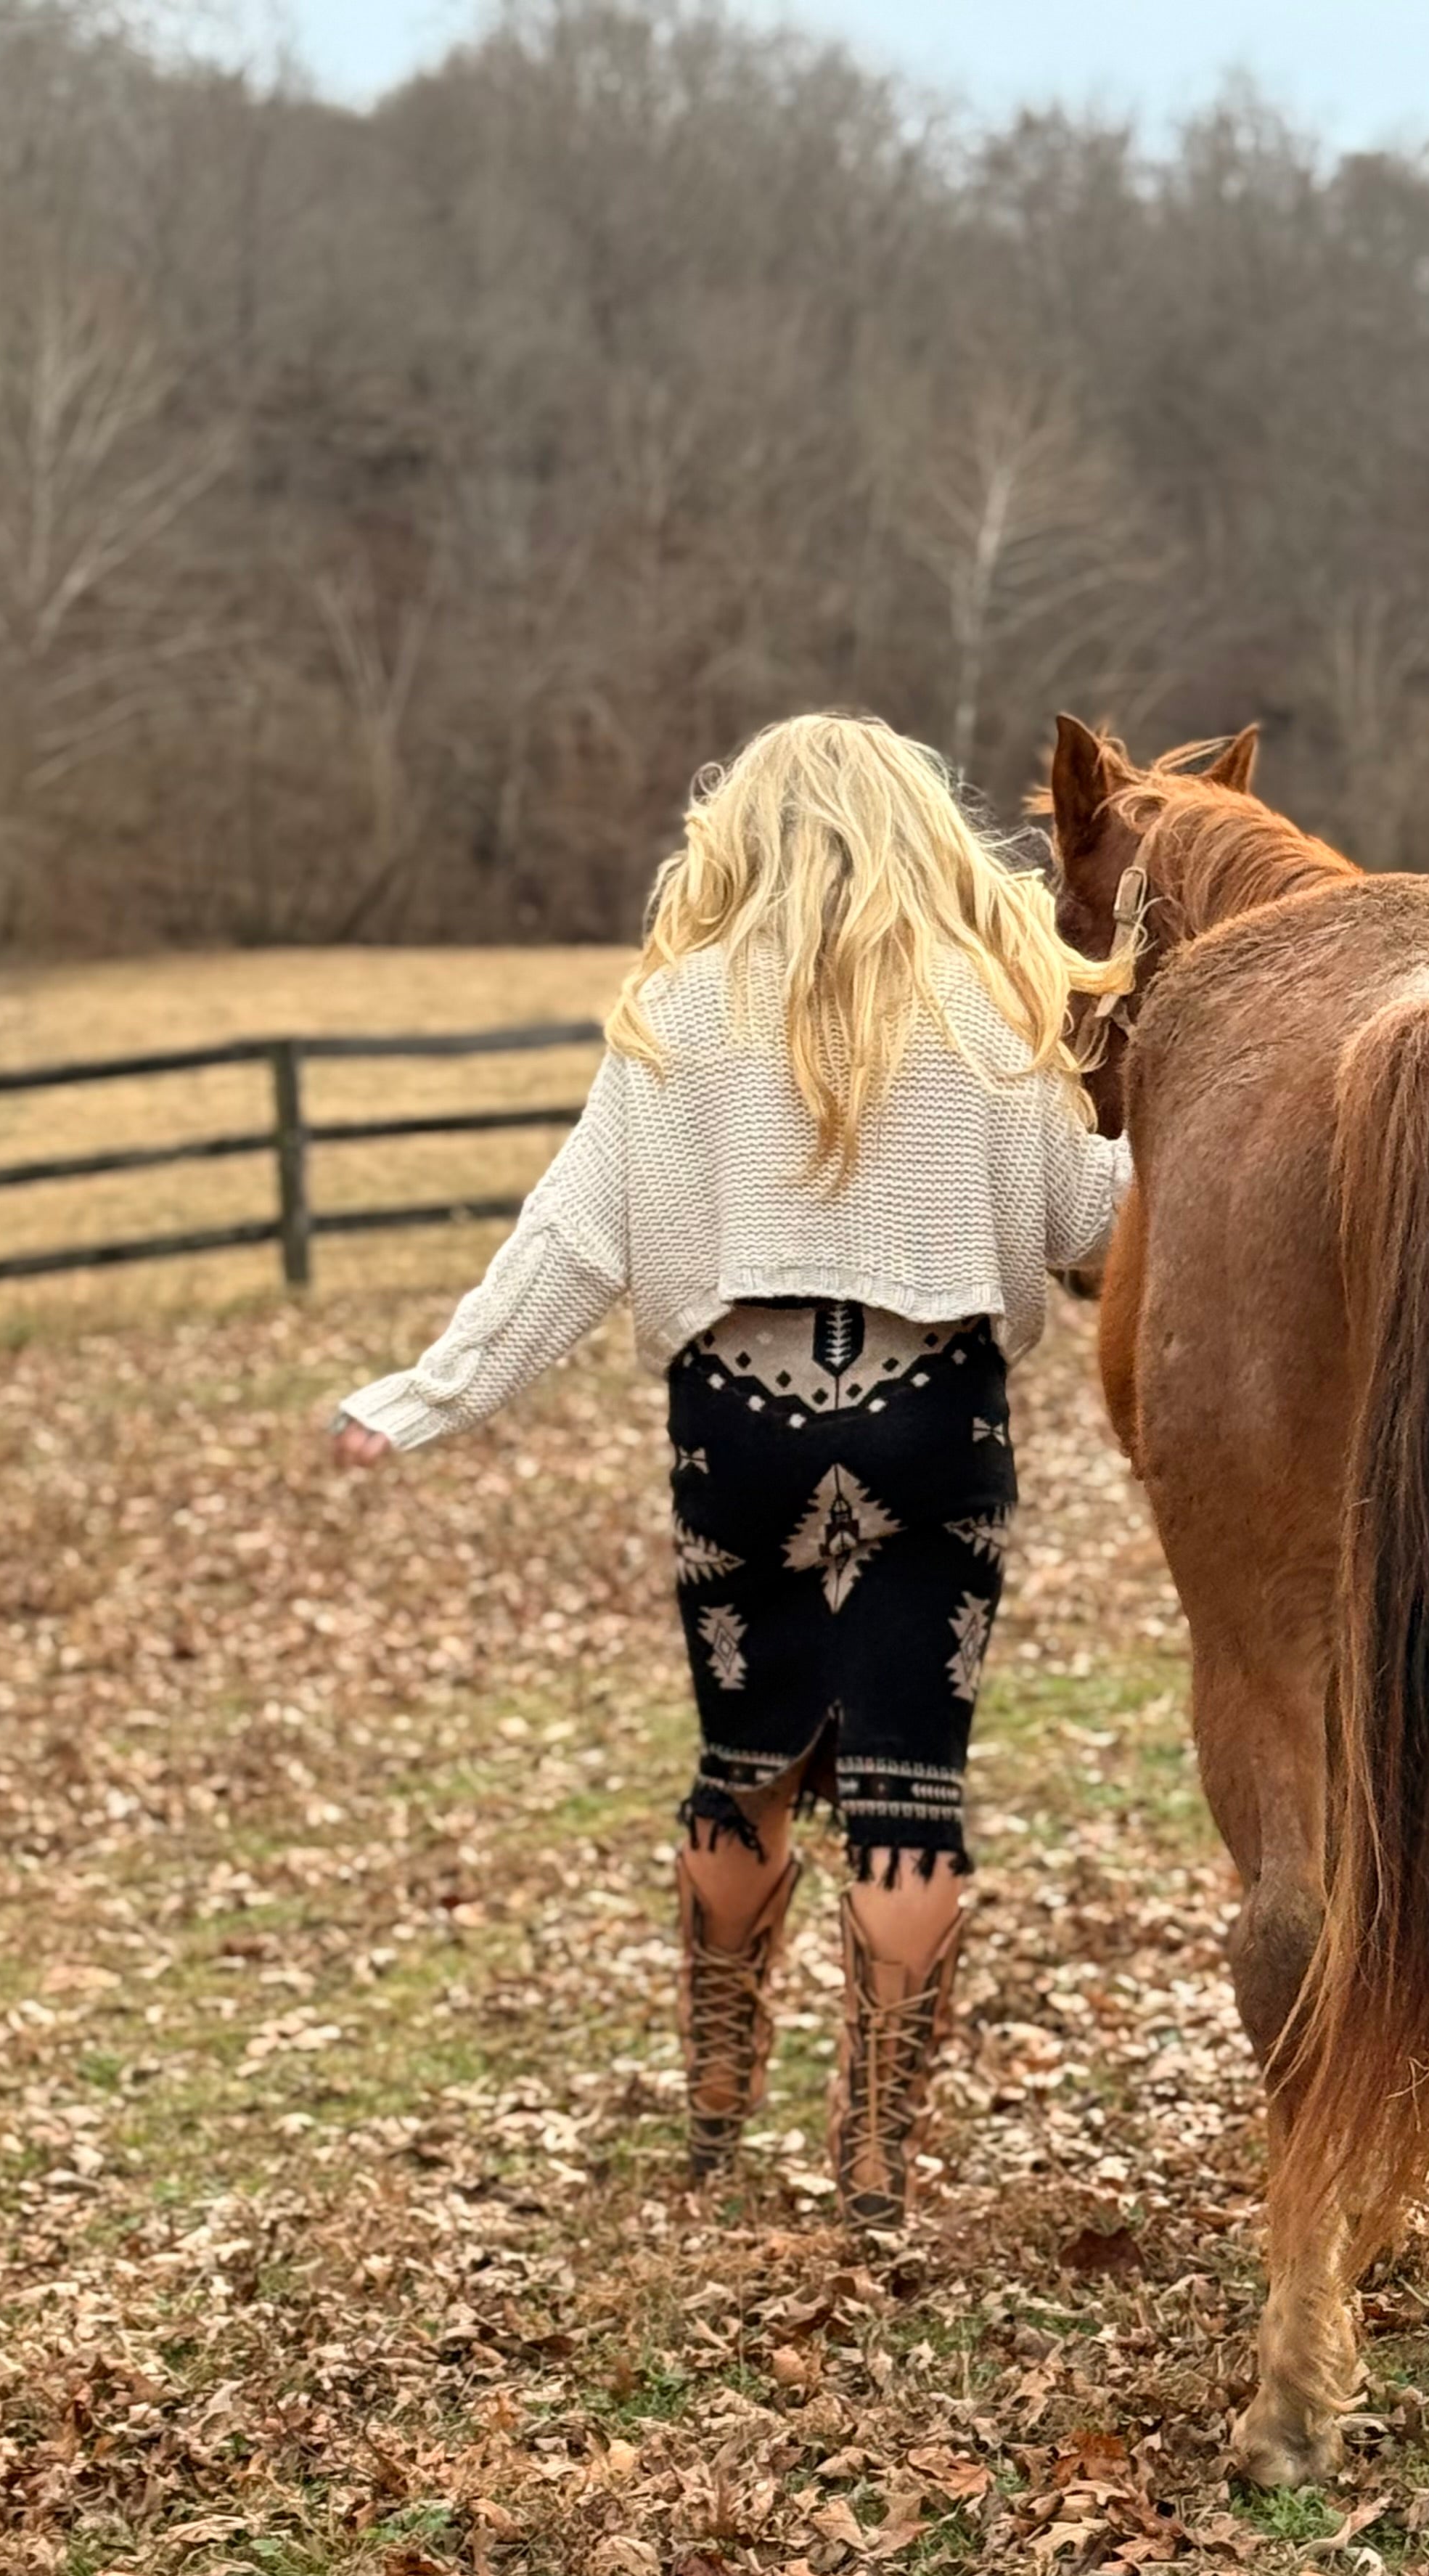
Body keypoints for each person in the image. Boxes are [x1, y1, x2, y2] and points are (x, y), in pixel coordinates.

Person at [333, 713, 1133, 2228]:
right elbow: (1089, 1219)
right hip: (934, 1418)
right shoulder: (988, 1008)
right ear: (920, 835)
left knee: (746, 1763)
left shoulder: (679, 1017)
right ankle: (880, 2153)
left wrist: (423, 1402)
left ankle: (718, 2101)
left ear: (743, 837)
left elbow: (569, 1243)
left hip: (739, 1431)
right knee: (908, 1789)